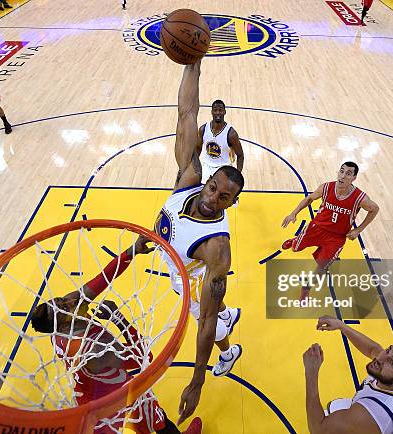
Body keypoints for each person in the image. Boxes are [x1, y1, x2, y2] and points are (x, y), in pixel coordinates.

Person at [152, 59, 244, 425]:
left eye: (224, 198)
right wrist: (194, 63)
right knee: (217, 314)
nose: (213, 197)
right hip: (172, 258)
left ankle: (229, 350)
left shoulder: (217, 248)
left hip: (188, 280)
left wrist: (197, 380)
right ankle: (229, 316)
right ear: (206, 180)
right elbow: (186, 113)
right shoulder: (188, 177)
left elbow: (202, 321)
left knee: (212, 322)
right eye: (213, 187)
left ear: (232, 204)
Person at [30, 240, 202, 434]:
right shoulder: (93, 350)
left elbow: (101, 280)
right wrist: (118, 318)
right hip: (110, 399)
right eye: (64, 307)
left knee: (155, 416)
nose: (72, 300)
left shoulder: (64, 321)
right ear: (62, 324)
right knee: (146, 414)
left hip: (91, 389)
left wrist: (130, 252)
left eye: (62, 299)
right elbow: (141, 359)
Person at [302, 316, 393, 434]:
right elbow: (373, 349)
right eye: (389, 350)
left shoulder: (373, 414)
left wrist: (311, 372)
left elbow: (318, 429)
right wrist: (341, 326)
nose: (380, 358)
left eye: (392, 362)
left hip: (368, 421)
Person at [280, 162, 379, 299]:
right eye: (342, 171)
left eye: (348, 173)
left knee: (322, 267)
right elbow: (309, 198)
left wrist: (358, 229)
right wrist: (293, 213)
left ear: (354, 178)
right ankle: (294, 241)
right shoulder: (326, 187)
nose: (343, 176)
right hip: (317, 228)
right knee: (295, 248)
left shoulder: (359, 198)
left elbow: (375, 209)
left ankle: (306, 288)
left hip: (336, 238)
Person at [196, 99, 244, 184]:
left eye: (220, 110)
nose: (218, 112)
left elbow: (240, 155)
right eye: (215, 110)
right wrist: (195, 166)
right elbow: (198, 148)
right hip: (206, 166)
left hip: (224, 168)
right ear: (212, 112)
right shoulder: (203, 129)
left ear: (224, 112)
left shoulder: (231, 134)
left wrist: (237, 175)